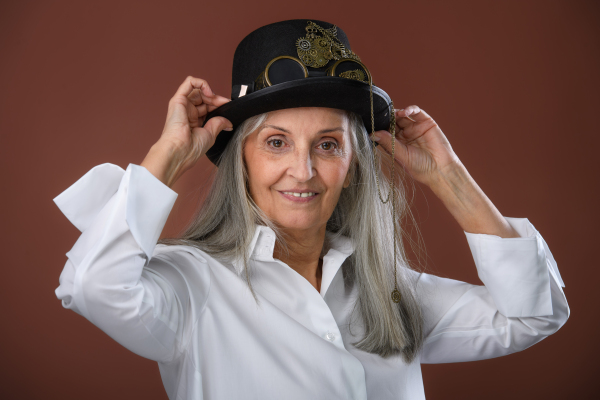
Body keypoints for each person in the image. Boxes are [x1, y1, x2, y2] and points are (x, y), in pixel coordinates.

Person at [53, 19, 569, 400]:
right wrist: (167, 156)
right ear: (242, 160)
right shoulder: (193, 285)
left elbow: (534, 314)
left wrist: (448, 177)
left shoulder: (390, 293)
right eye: (276, 143)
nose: (302, 170)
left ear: (354, 163)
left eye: (327, 145)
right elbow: (94, 287)